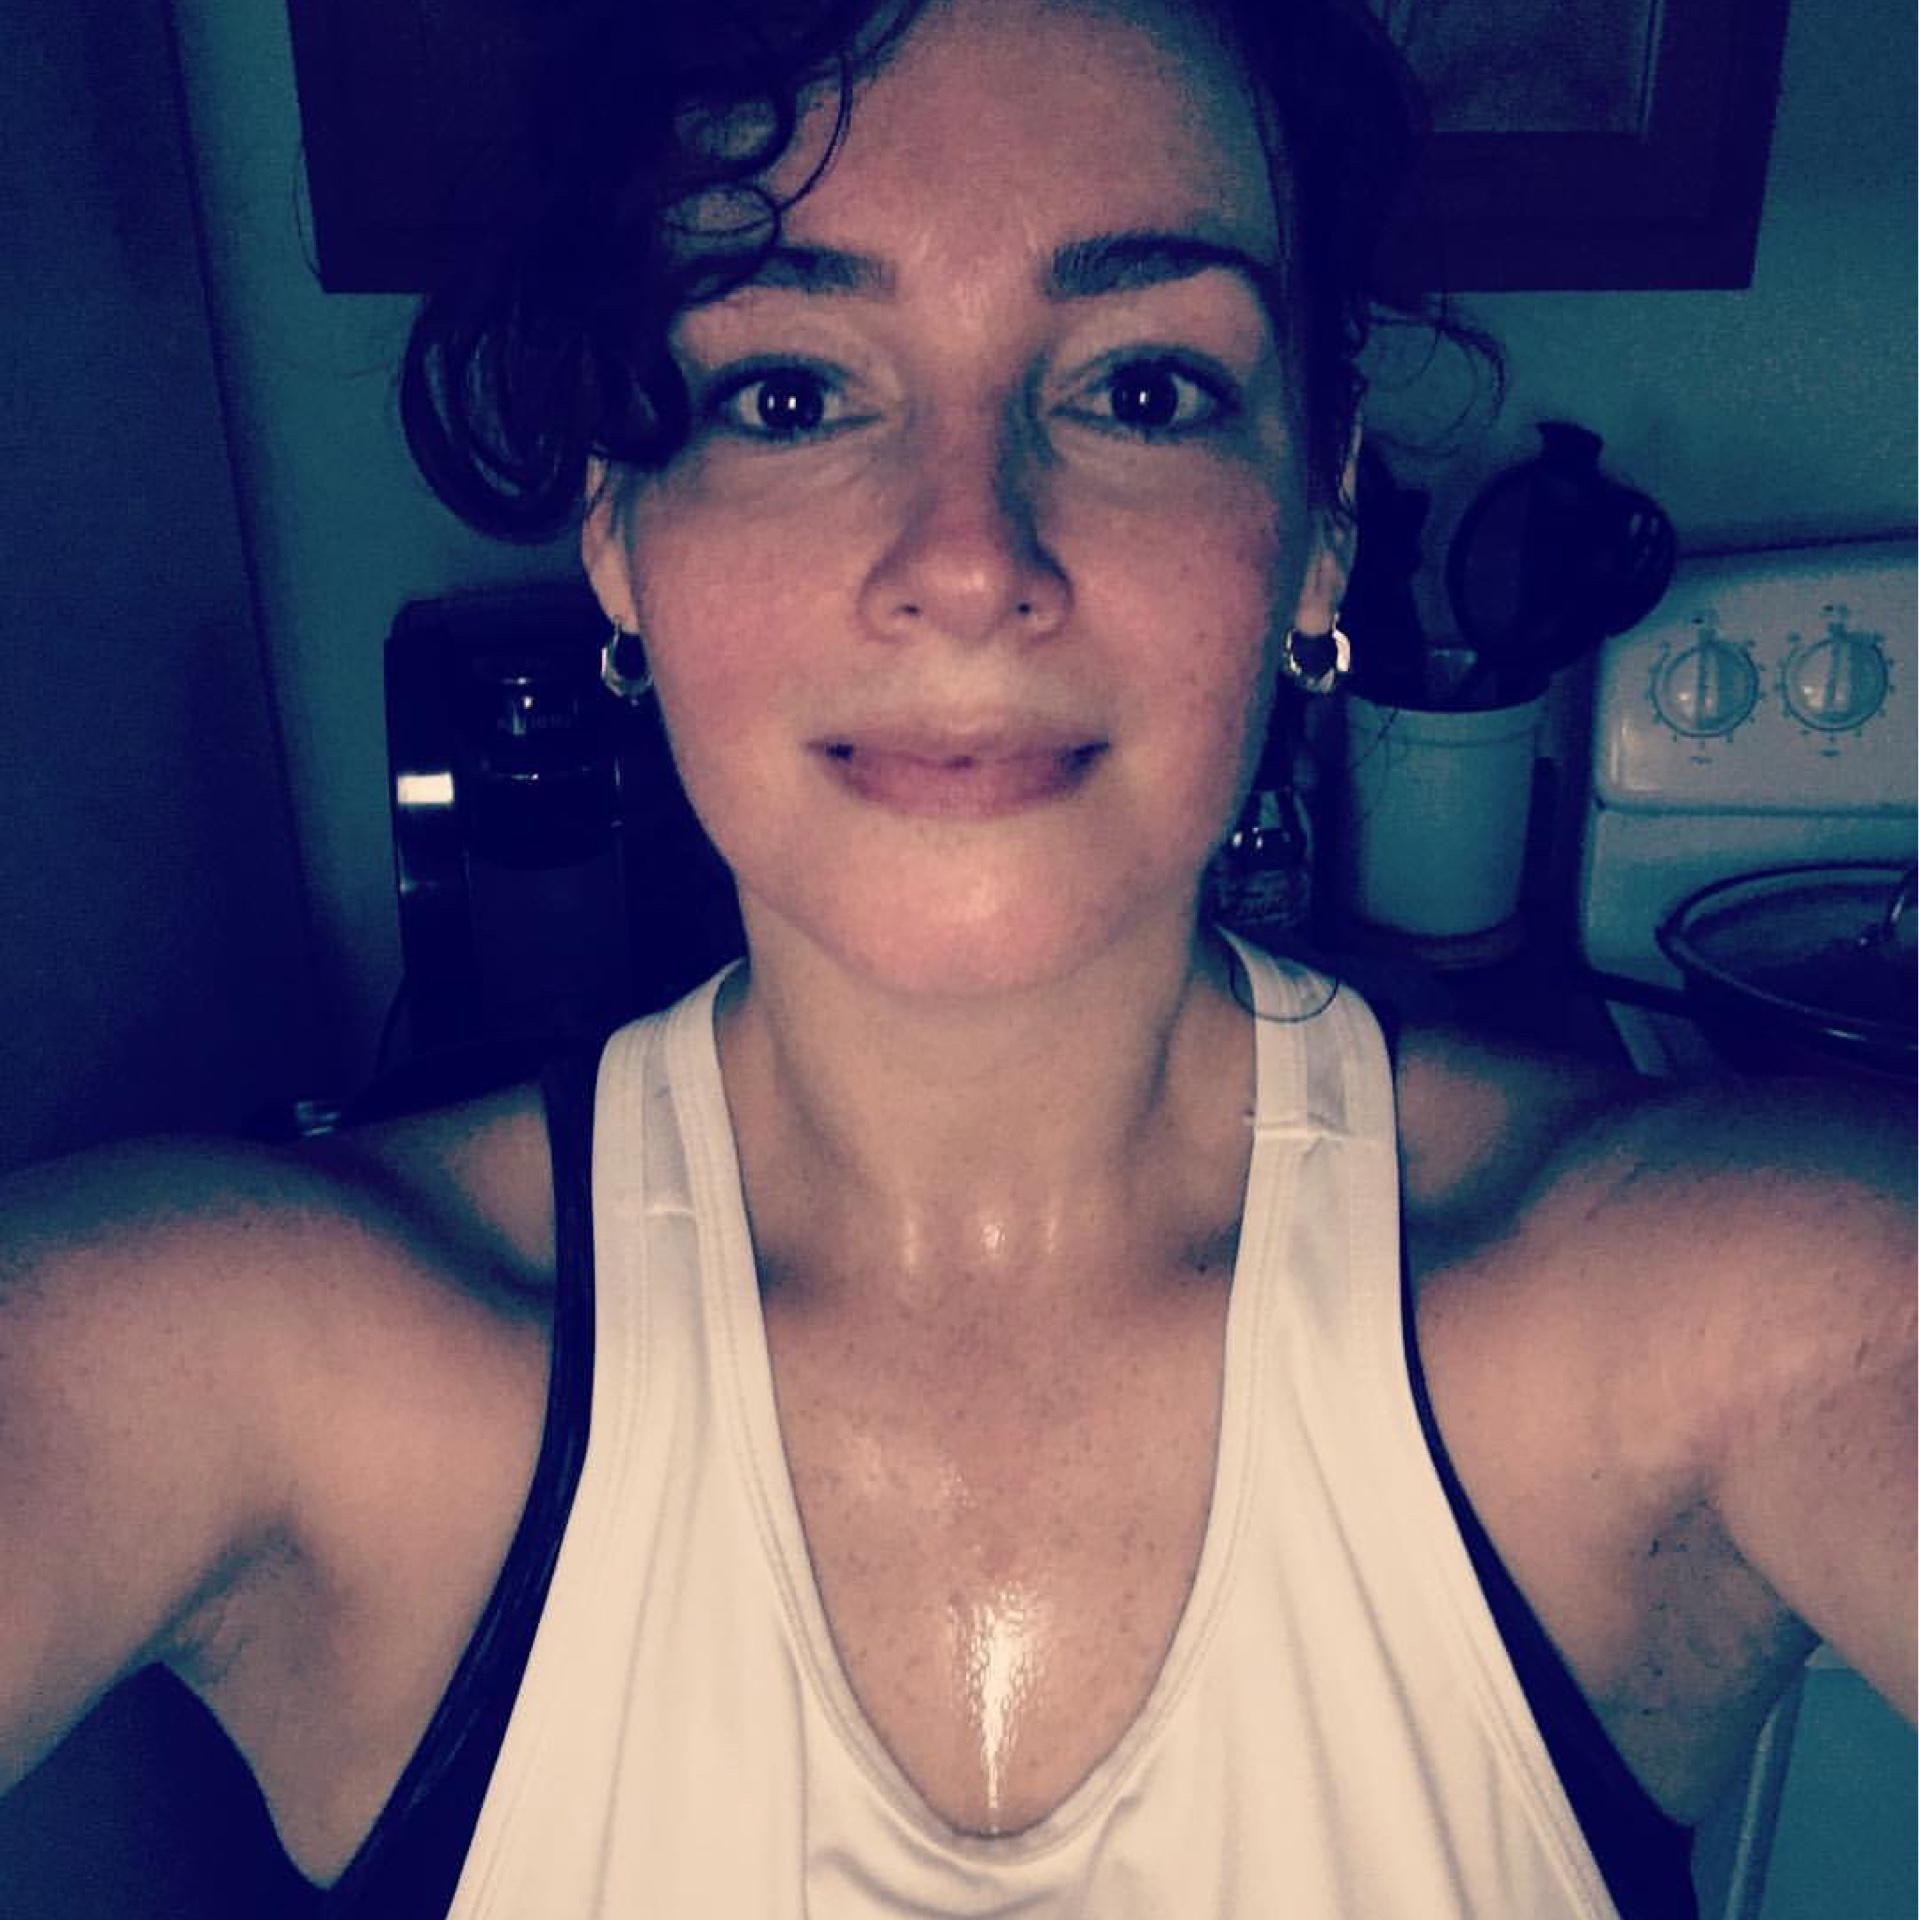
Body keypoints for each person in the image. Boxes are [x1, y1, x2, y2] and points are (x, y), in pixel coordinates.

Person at [2, 0, 1912, 1914]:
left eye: (1142, 390)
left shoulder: (1731, 1305)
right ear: (616, 524)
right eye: (790, 394)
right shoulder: (265, 1362)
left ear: (1320, 513)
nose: (972, 558)